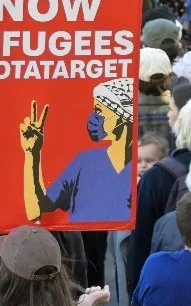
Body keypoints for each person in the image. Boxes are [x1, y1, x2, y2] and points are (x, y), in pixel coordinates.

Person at [128, 92, 191, 292]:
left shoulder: (155, 177)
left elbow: (140, 245)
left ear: (180, 126)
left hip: (167, 285)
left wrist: (137, 297)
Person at [20, 79, 134, 225]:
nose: (93, 117)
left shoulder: (139, 167)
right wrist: (32, 153)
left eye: (99, 111)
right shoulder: (85, 162)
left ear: (121, 117)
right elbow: (36, 210)